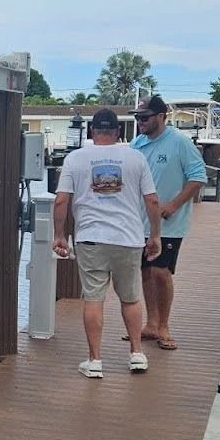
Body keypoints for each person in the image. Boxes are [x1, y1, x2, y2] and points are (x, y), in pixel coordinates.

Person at [53, 108, 162, 378]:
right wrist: (155, 235)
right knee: (131, 298)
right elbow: (152, 201)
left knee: (93, 300)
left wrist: (59, 235)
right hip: (129, 238)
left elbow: (61, 200)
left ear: (91, 131)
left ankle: (95, 361)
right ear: (118, 132)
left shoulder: (75, 158)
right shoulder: (136, 158)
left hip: (91, 238)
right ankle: (137, 354)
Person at [131, 95, 208, 351]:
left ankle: (164, 325)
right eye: (137, 118)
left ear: (161, 116)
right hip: (140, 223)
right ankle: (151, 323)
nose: (140, 122)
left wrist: (174, 205)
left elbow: (198, 178)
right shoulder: (137, 144)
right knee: (145, 271)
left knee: (160, 273)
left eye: (145, 117)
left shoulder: (179, 143)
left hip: (168, 224)